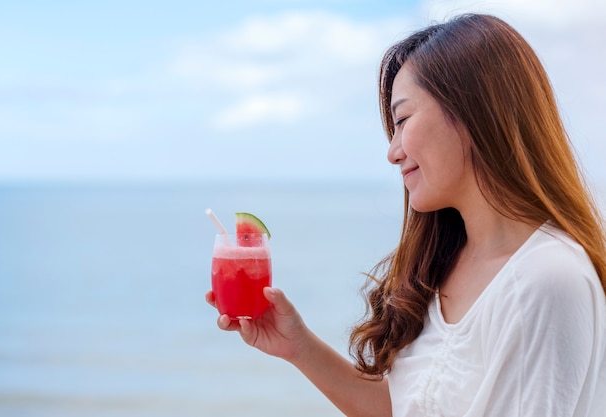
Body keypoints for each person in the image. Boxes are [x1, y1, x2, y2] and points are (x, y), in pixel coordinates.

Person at [205, 13, 606, 417]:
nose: (393, 151)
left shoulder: (545, 280)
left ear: (473, 112)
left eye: (402, 120)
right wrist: (299, 346)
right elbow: (406, 409)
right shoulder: (447, 262)